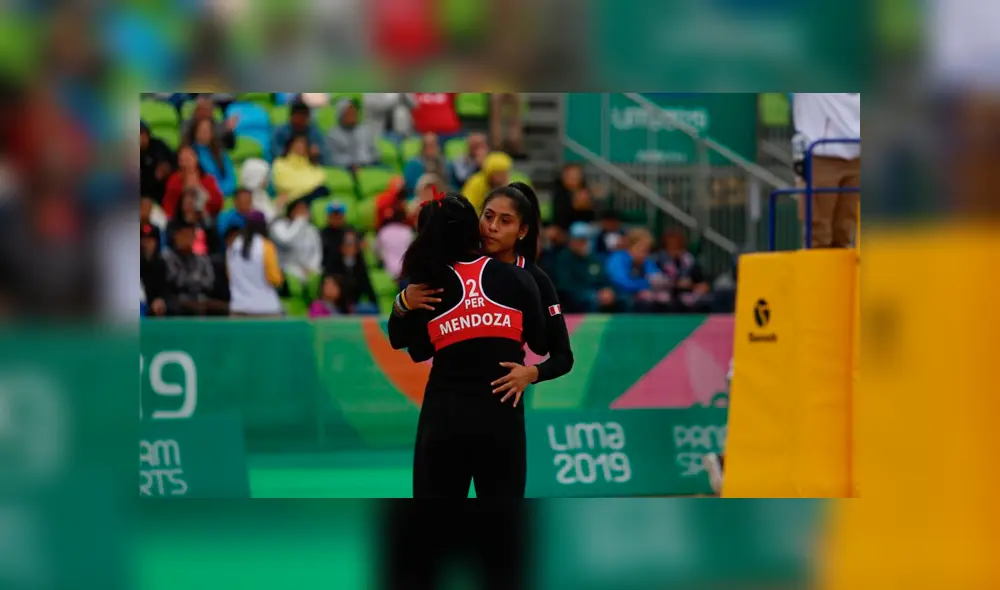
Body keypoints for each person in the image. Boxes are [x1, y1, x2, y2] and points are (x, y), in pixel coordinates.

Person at [387, 193, 548, 498]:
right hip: (501, 416)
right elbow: (540, 342)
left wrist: (402, 303)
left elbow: (414, 348)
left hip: (444, 417)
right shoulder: (518, 278)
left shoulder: (429, 284)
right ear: (473, 228)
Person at [791, 93, 861, 248]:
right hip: (821, 156)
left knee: (845, 231)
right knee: (818, 233)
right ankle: (815, 263)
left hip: (857, 155)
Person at [227, 210, 284, 317]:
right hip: (266, 310)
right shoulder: (266, 246)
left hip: (239, 308)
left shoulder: (233, 245)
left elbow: (230, 276)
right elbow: (274, 279)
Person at [162, 219, 225, 315]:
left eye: (191, 235)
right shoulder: (168, 256)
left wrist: (194, 281)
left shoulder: (202, 258)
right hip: (178, 298)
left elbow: (209, 282)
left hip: (201, 298)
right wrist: (195, 279)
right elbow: (176, 281)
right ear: (177, 236)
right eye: (185, 235)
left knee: (222, 307)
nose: (189, 239)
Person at [553, 222, 619, 313]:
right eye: (579, 240)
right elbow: (564, 285)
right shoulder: (563, 258)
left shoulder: (593, 258)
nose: (582, 243)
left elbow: (604, 278)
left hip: (597, 293)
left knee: (621, 300)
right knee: (591, 301)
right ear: (571, 241)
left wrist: (608, 290)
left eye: (584, 240)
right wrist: (595, 295)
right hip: (574, 297)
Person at [605, 228, 668, 312]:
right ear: (630, 247)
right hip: (619, 297)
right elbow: (623, 283)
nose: (644, 254)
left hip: (640, 298)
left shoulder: (647, 261)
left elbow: (656, 277)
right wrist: (646, 284)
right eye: (641, 249)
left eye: (647, 250)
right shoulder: (617, 258)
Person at [270, 195, 323, 285]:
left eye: (304, 210)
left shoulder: (311, 229)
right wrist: (299, 222)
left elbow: (317, 251)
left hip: (308, 269)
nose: (302, 213)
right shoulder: (279, 225)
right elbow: (287, 240)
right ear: (291, 211)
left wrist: (311, 267)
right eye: (299, 210)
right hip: (285, 269)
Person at [162, 145, 224, 220]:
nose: (184, 164)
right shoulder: (174, 179)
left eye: (187, 160)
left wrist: (201, 190)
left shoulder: (208, 179)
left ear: (196, 159)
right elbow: (168, 204)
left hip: (204, 219)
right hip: (180, 220)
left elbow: (218, 205)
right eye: (181, 160)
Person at [657, 229, 711, 313]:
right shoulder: (659, 261)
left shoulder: (689, 261)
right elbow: (657, 282)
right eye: (671, 246)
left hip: (689, 294)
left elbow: (701, 283)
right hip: (668, 294)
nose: (675, 249)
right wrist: (676, 284)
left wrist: (696, 286)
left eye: (677, 246)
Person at [326, 231, 379, 314]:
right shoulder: (333, 264)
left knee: (371, 308)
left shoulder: (360, 265)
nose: (349, 247)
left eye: (352, 244)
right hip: (336, 305)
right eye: (347, 243)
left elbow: (368, 288)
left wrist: (375, 305)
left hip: (354, 304)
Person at [327, 97, 380, 172]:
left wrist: (371, 160)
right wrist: (351, 164)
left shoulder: (365, 130)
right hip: (347, 169)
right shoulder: (333, 135)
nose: (352, 115)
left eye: (353, 112)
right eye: (348, 113)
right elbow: (333, 158)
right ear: (341, 115)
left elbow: (374, 151)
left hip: (370, 165)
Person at [272, 134, 330, 201]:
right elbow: (282, 184)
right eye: (297, 143)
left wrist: (304, 187)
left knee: (323, 191)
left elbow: (321, 180)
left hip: (312, 196)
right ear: (290, 145)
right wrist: (308, 187)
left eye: (303, 144)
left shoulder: (312, 163)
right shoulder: (280, 162)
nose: (300, 146)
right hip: (292, 199)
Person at [188, 117, 237, 196]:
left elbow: (231, 177)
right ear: (195, 132)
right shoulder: (190, 153)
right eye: (203, 130)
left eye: (208, 130)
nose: (206, 133)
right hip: (204, 195)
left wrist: (221, 191)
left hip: (224, 193)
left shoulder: (220, 152)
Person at [271, 100, 328, 165]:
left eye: (304, 118)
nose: (301, 121)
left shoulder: (314, 132)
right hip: (284, 164)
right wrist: (291, 152)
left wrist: (315, 153)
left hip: (308, 166)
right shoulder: (280, 131)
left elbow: (322, 152)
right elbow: (274, 151)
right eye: (299, 117)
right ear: (291, 117)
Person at [375, 202, 414, 282]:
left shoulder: (384, 231)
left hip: (388, 274)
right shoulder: (408, 231)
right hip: (405, 272)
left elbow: (377, 252)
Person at [140, 120, 175, 203]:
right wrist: (155, 177)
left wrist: (168, 168)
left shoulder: (158, 145)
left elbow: (174, 160)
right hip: (147, 197)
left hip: (168, 188)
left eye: (144, 134)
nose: (142, 138)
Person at [140, 223, 169, 317]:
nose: (146, 243)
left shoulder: (162, 263)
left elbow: (165, 288)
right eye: (144, 240)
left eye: (150, 240)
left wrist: (160, 300)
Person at [321, 201, 354, 274]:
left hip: (348, 270)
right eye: (333, 216)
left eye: (339, 216)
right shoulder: (322, 234)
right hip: (329, 271)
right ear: (328, 217)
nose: (336, 218)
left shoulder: (350, 231)